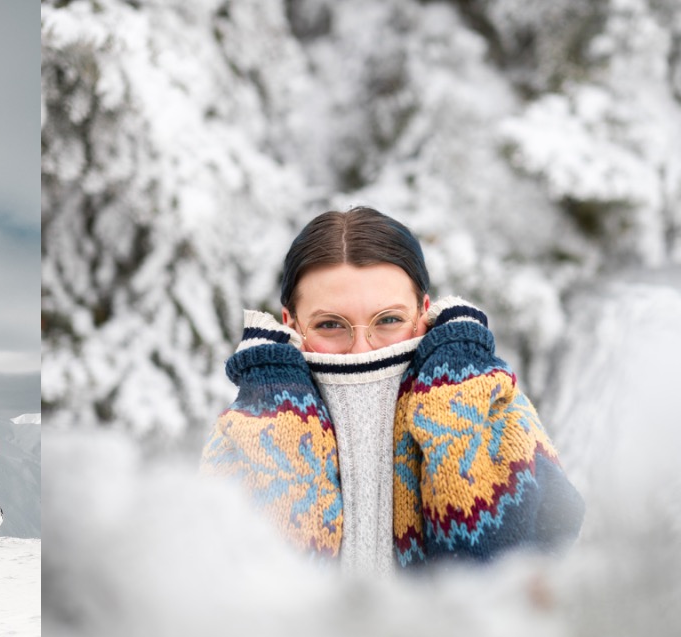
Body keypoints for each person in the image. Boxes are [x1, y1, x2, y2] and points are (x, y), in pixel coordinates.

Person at [200, 207, 584, 573]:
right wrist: (277, 418)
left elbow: (533, 562)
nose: (362, 350)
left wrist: (457, 402)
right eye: (330, 325)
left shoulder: (491, 401)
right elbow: (226, 585)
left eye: (388, 320)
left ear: (422, 314)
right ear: (292, 324)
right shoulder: (245, 427)